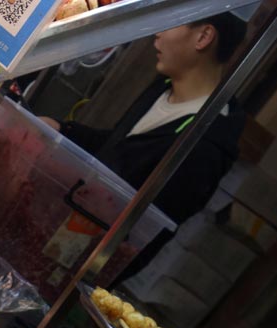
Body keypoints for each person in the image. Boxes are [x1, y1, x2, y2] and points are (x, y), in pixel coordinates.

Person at [52, 14, 248, 242]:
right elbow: (117, 149)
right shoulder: (164, 88)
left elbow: (143, 238)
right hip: (64, 224)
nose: (159, 32)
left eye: (173, 20)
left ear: (203, 37)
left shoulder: (202, 147)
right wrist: (61, 130)